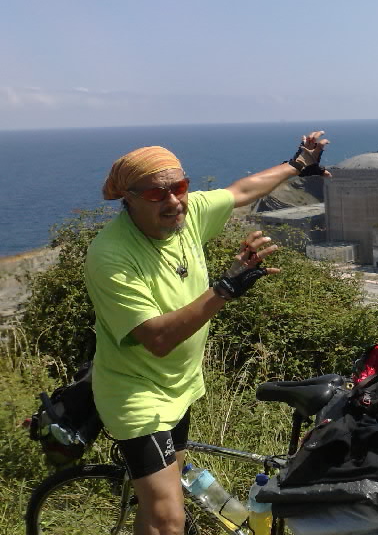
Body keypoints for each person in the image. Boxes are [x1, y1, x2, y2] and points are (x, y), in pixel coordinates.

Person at [84, 131, 329, 535]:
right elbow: (157, 339)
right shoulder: (111, 256)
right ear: (128, 198)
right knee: (169, 520)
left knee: (158, 507)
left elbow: (241, 190)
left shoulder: (188, 213)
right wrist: (225, 288)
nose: (173, 201)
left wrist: (298, 164)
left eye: (179, 187)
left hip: (181, 386)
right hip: (136, 394)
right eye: (156, 193)